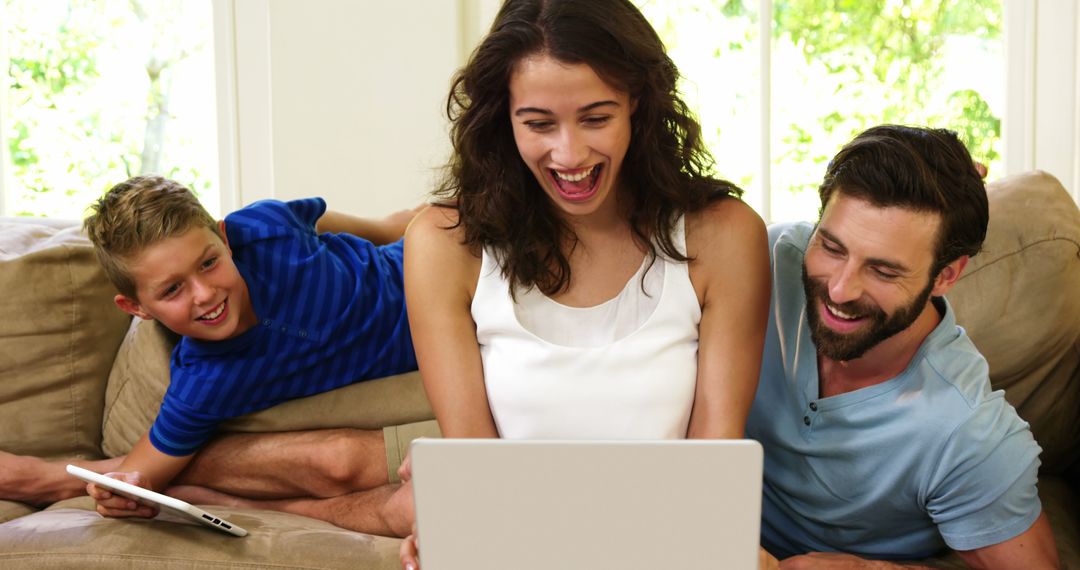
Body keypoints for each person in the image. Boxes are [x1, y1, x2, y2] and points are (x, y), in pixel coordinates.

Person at [399, 0, 771, 566]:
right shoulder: (445, 244)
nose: (569, 154)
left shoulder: (722, 236)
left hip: (673, 552)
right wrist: (462, 528)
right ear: (503, 118)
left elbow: (713, 473)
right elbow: (474, 462)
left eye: (597, 118)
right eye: (538, 123)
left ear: (637, 104)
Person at [11, 174, 420, 536]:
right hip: (435, 351)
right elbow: (138, 474)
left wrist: (404, 225)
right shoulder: (203, 383)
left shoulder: (263, 229)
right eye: (172, 290)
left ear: (225, 240)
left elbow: (371, 228)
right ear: (137, 308)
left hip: (430, 274)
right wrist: (120, 492)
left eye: (208, 263)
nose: (204, 294)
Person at [749, 125, 1060, 568]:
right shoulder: (766, 259)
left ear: (946, 276)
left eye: (883, 271)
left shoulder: (967, 429)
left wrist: (868, 569)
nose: (839, 290)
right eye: (832, 247)